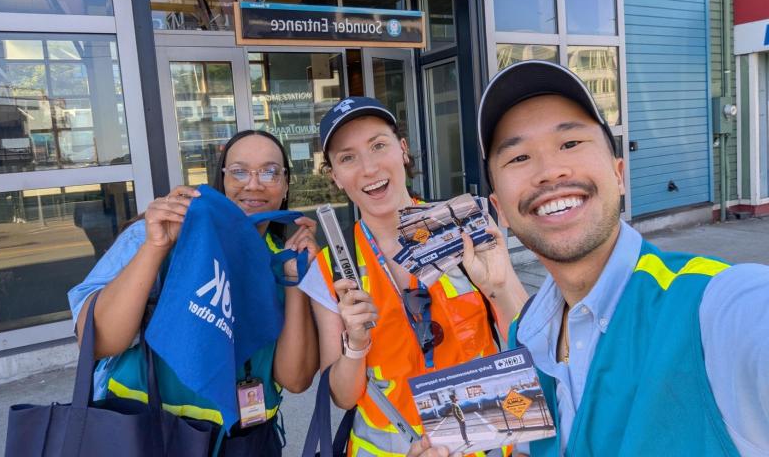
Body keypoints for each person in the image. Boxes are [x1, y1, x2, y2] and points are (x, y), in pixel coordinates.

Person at [409, 60, 769, 457]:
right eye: (518, 158)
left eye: (570, 143)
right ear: (501, 210)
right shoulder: (528, 332)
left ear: (619, 175)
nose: (549, 171)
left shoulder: (715, 306)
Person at [297, 97, 529, 456]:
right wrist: (356, 342)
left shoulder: (461, 227)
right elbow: (343, 396)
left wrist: (499, 287)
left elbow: (528, 337)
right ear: (335, 176)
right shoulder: (328, 268)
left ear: (402, 149)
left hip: (482, 440)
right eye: (347, 158)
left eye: (378, 145)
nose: (369, 168)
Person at [68, 129, 320, 456]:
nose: (253, 184)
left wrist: (295, 279)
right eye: (240, 171)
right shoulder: (159, 235)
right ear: (222, 180)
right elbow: (96, 342)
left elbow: (297, 379)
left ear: (285, 184)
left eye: (270, 172)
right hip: (144, 433)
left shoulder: (283, 258)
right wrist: (155, 247)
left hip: (245, 443)